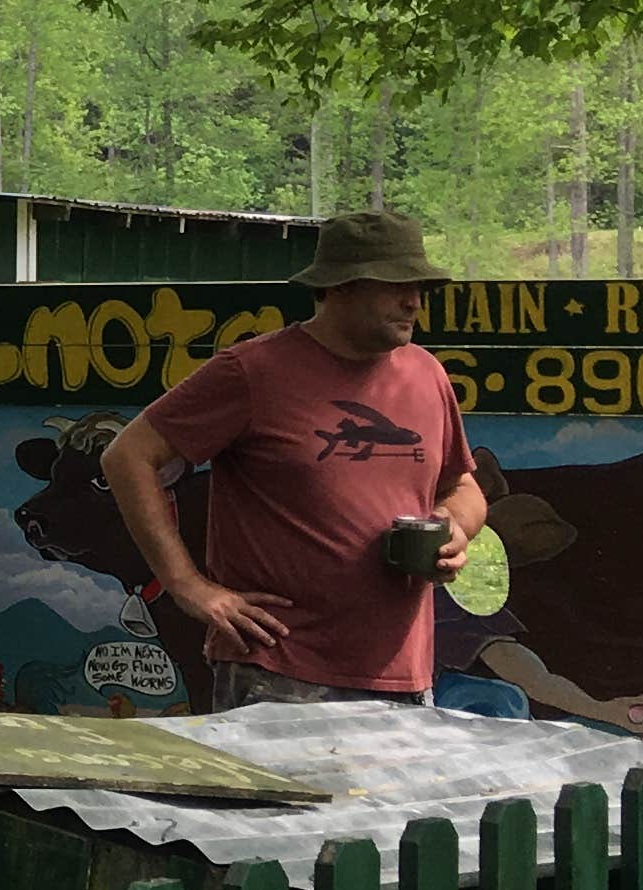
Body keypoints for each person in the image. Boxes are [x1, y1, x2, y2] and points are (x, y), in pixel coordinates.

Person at [100, 207, 486, 710]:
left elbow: (461, 488)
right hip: (278, 672)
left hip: (404, 675)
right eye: (396, 285)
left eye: (420, 287)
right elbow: (128, 456)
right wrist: (186, 585)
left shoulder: (427, 374)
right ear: (341, 286)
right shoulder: (253, 371)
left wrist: (454, 528)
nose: (414, 301)